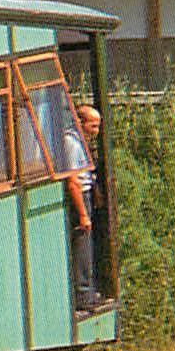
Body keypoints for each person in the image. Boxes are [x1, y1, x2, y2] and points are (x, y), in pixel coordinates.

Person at [60, 103, 103, 311]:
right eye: (93, 126)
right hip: (79, 198)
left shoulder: (83, 142)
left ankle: (89, 289)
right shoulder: (71, 143)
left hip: (87, 194)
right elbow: (73, 181)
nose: (96, 132)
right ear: (81, 123)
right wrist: (83, 214)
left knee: (88, 245)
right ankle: (82, 294)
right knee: (81, 246)